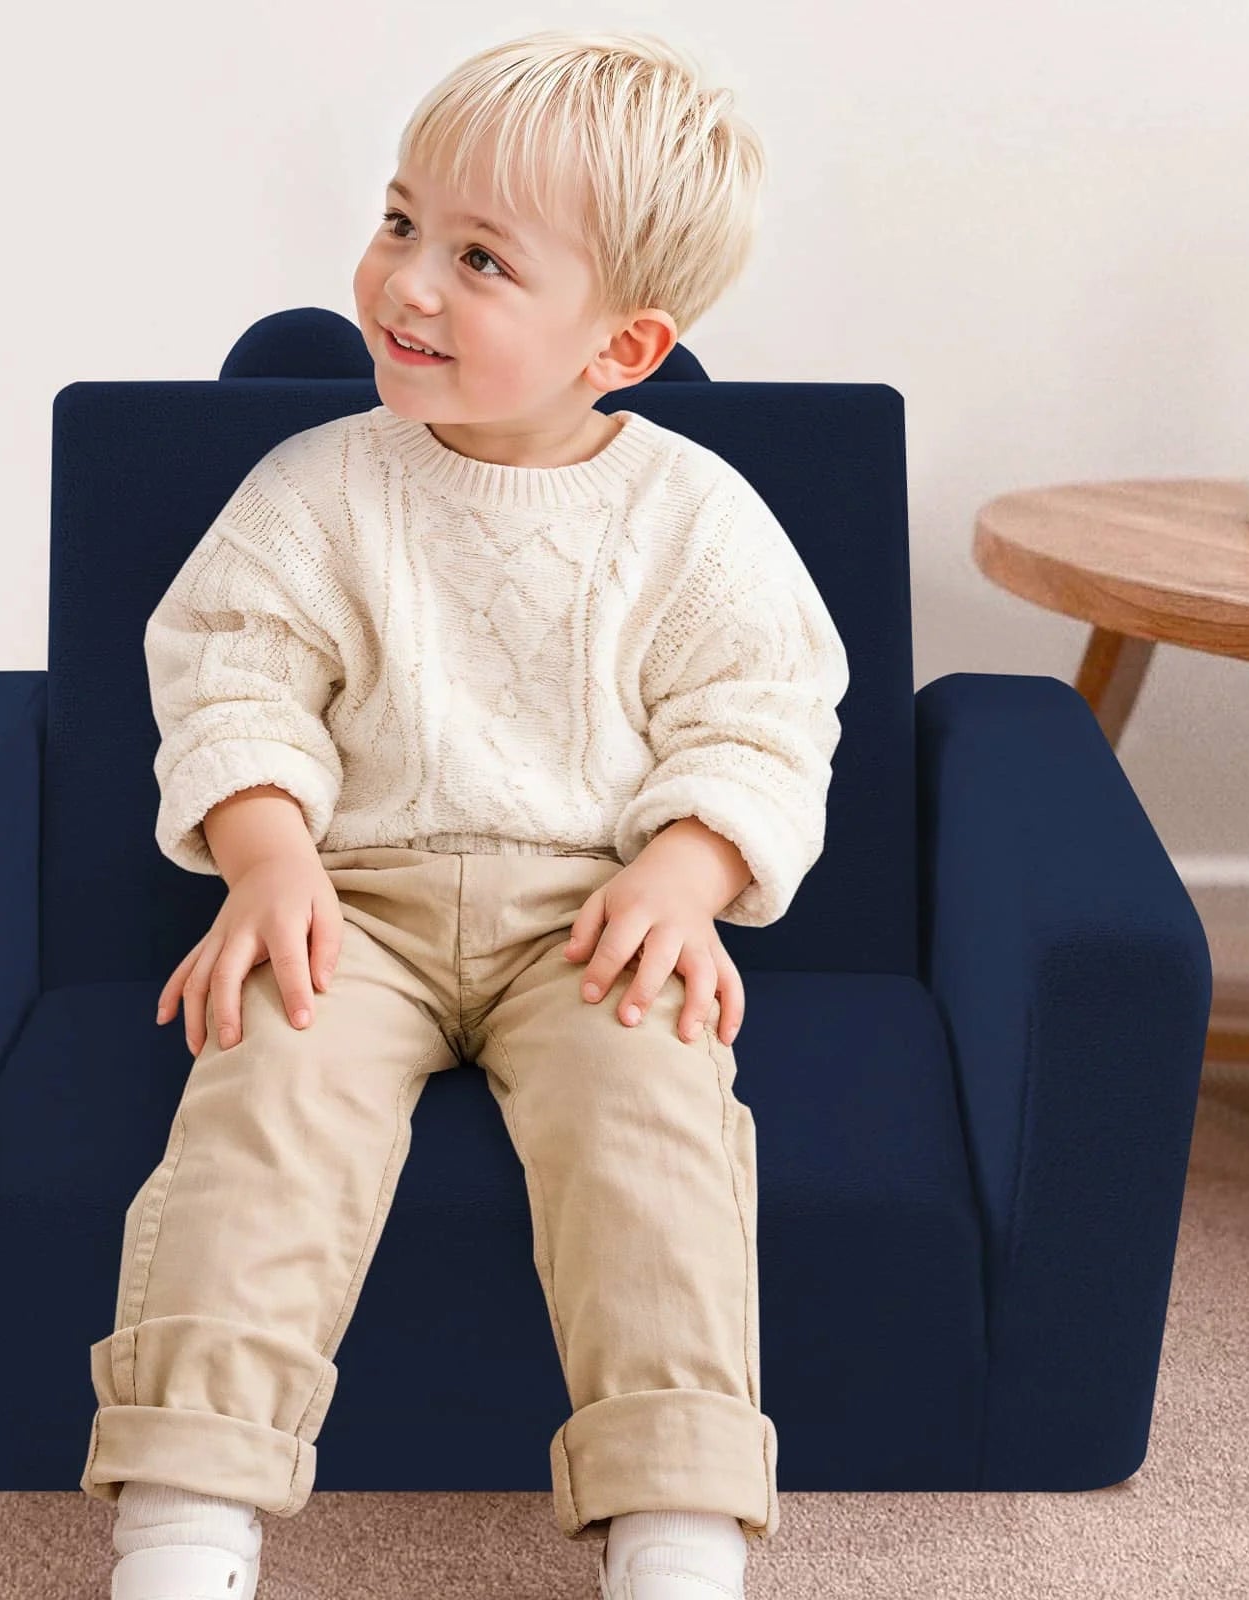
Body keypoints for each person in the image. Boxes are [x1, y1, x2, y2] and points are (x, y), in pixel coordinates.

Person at [81, 27, 849, 1600]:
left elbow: (767, 718)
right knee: (262, 1119)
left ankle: (680, 1527)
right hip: (348, 905)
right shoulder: (315, 488)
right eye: (400, 220)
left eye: (482, 259)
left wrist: (687, 872)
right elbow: (231, 684)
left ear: (620, 349)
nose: (408, 282)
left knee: (656, 1133)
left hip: (592, 917)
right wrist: (269, 856)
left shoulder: (694, 518)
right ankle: (185, 1518)